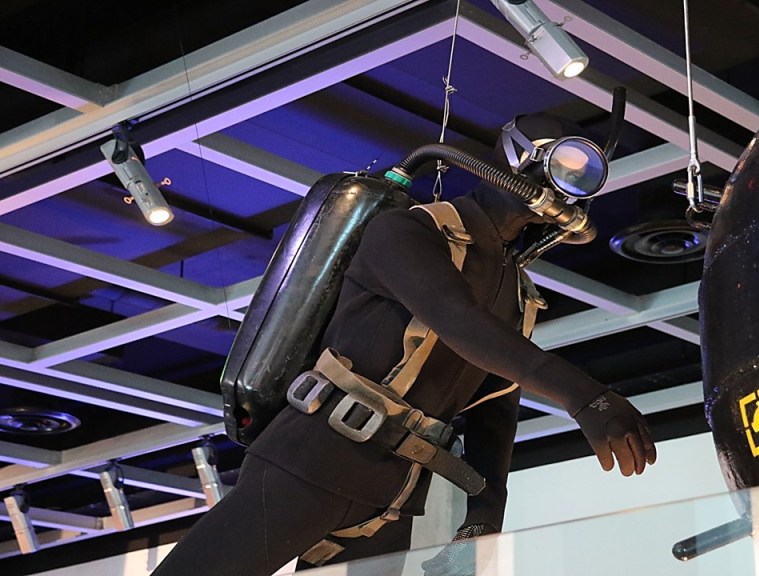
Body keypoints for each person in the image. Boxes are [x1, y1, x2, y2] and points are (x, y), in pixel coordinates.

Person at [149, 113, 656, 576]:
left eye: (581, 177)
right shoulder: (408, 230)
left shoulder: (517, 291)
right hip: (312, 458)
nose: (565, 186)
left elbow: (495, 409)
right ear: (516, 158)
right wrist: (586, 397)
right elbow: (457, 320)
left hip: (393, 497)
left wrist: (485, 514)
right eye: (563, 164)